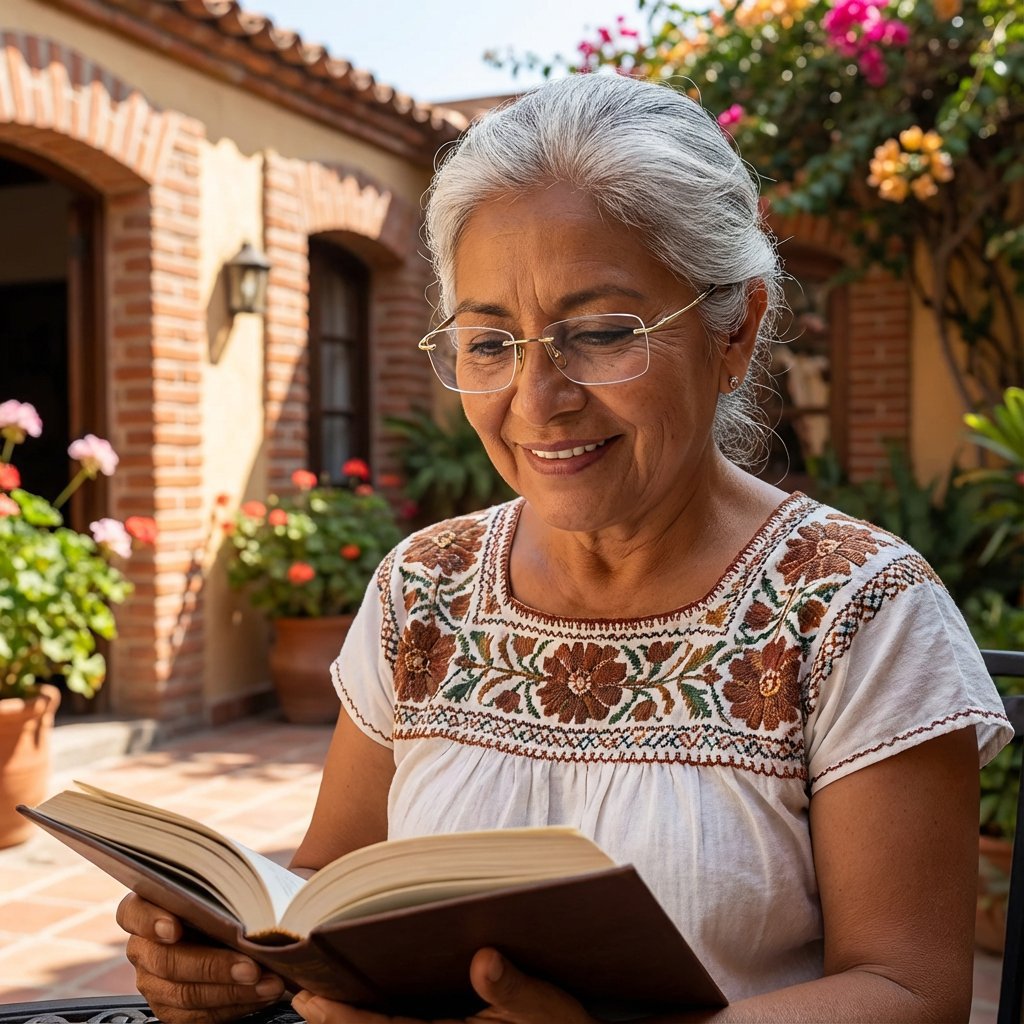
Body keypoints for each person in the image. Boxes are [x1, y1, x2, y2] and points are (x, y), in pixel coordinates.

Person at [117, 73, 1012, 1024]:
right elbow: (329, 878)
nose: (538, 400)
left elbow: (910, 992)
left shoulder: (854, 607)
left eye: (599, 333)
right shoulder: (426, 587)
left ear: (735, 331)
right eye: (491, 342)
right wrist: (242, 959)